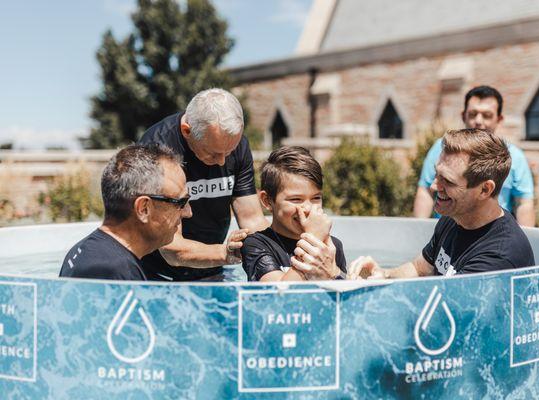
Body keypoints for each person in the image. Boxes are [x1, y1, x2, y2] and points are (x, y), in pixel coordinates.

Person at [301, 129, 535, 280]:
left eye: (448, 181)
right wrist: (382, 274)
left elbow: (434, 315)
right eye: (437, 175)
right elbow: (419, 268)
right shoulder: (453, 220)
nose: (434, 186)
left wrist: (333, 276)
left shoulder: (499, 256)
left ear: (485, 189)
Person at [138, 88, 269, 281]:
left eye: (229, 151)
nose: (223, 161)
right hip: (158, 274)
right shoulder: (157, 150)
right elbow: (172, 250)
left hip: (213, 267)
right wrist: (226, 254)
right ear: (186, 130)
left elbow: (252, 220)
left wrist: (271, 258)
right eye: (214, 153)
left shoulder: (236, 145)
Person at [59, 144, 192, 280]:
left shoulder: (89, 250)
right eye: (180, 203)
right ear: (144, 209)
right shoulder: (114, 272)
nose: (188, 213)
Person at [414, 85, 535, 226]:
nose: (478, 120)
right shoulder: (442, 148)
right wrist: (419, 231)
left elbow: (524, 203)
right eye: (472, 114)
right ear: (463, 115)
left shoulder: (515, 157)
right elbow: (426, 191)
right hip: (445, 233)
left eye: (487, 115)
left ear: (499, 119)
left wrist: (526, 240)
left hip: (490, 235)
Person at [241, 146, 347, 282]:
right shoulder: (256, 244)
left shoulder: (333, 246)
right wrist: (313, 238)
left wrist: (335, 273)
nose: (308, 208)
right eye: (296, 199)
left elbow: (343, 297)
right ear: (267, 201)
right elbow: (277, 296)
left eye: (316, 198)